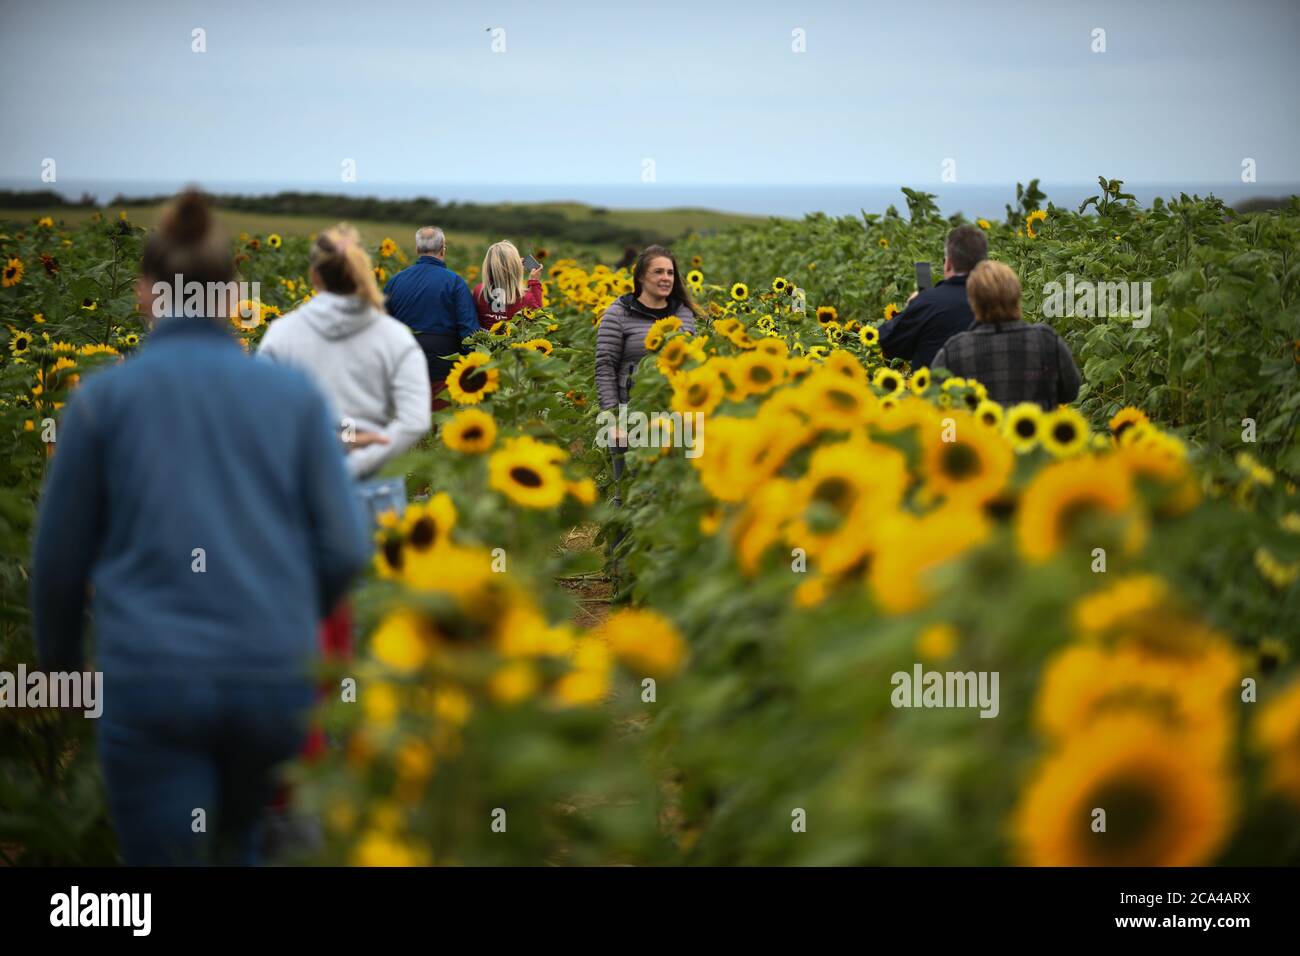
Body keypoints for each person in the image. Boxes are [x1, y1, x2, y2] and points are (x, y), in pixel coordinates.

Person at [30, 189, 371, 866]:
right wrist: (280, 617)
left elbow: (59, 566)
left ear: (147, 294)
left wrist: (63, 676)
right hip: (270, 680)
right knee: (243, 843)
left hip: (153, 679)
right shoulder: (293, 396)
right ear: (234, 298)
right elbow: (344, 547)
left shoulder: (104, 401)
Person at [258, 224, 431, 480]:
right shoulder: (394, 336)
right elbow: (415, 421)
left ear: (315, 276)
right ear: (362, 271)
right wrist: (358, 458)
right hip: (375, 488)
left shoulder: (282, 333)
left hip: (303, 485)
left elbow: (257, 410)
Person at [594, 245, 699, 503]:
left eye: (670, 273)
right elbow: (605, 366)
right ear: (641, 276)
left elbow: (693, 362)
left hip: (677, 412)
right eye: (658, 272)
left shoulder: (684, 314)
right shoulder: (618, 313)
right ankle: (620, 544)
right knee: (630, 493)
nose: (666, 278)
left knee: (676, 491)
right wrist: (613, 419)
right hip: (631, 412)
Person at [931, 259, 1082, 409]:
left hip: (979, 432)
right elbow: (1070, 392)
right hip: (1037, 431)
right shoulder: (1046, 341)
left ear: (973, 302)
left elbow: (934, 401)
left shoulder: (954, 350)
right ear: (1016, 295)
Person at [383, 226, 479, 410]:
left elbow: (381, 325)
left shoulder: (395, 281)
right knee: (439, 421)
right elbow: (469, 331)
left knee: (408, 419)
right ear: (443, 248)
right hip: (443, 365)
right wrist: (472, 369)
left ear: (417, 249)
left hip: (405, 360)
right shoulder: (455, 282)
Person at [879, 224, 988, 369]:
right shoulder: (999, 301)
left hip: (935, 389)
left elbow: (888, 342)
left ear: (948, 264)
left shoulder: (928, 302)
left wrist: (912, 305)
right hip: (987, 389)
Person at [472, 240, 543, 330]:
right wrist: (534, 282)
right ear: (516, 267)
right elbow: (539, 320)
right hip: (513, 343)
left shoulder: (478, 291)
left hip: (484, 343)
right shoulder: (525, 298)